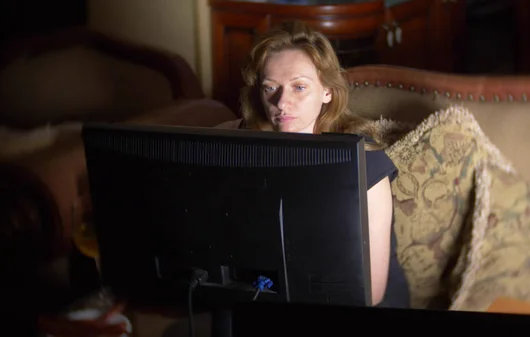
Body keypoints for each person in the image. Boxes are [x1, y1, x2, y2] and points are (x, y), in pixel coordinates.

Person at [36, 20, 409, 337]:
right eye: (270, 88)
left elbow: (369, 293)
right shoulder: (233, 141)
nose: (282, 102)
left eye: (299, 86)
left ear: (327, 91)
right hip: (247, 299)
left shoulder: (367, 165)